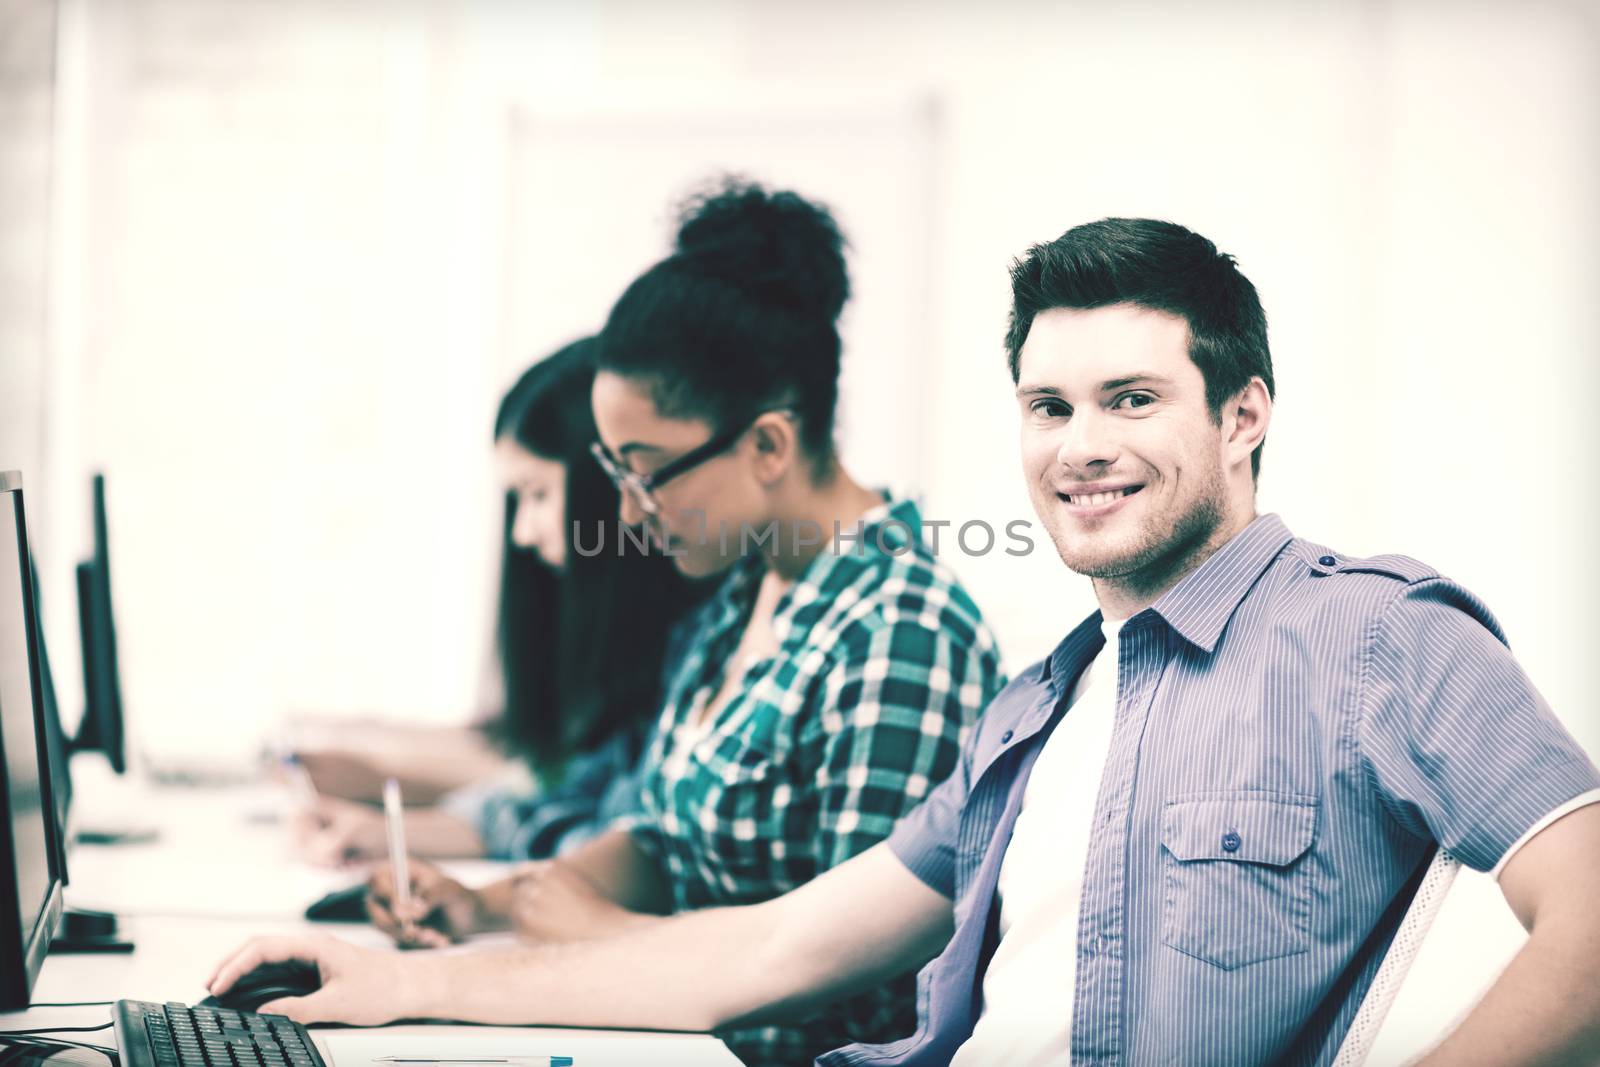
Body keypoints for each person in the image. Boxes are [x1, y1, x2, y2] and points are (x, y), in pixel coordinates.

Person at [211, 218, 1600, 1065]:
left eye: (1131, 397)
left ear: (1243, 414)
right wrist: (401, 985)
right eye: (1047, 405)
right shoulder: (1044, 707)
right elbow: (756, 953)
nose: (1082, 446)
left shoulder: (1371, 631)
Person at [353, 181, 1003, 1066]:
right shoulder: (743, 591)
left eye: (646, 472)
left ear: (769, 446)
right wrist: (498, 903)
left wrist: (603, 936)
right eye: (613, 470)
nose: (626, 513)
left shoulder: (902, 636)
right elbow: (669, 837)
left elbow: (867, 1002)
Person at [295, 339, 704, 864]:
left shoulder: (694, 643)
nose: (523, 534)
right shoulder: (626, 659)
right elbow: (562, 795)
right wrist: (387, 832)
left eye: (537, 494)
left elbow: (610, 845)